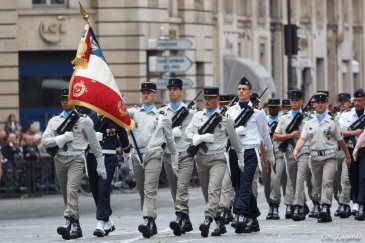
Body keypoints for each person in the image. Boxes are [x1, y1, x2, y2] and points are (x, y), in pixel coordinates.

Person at [42, 88, 106, 240]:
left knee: (71, 190)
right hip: (59, 159)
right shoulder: (55, 120)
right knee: (66, 194)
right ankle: (76, 226)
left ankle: (68, 221)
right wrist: (60, 139)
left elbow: (94, 144)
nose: (64, 101)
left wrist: (100, 163)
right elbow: (44, 141)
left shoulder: (84, 120)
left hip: (76, 158)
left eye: (68, 98)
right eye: (62, 99)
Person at [185, 86, 243, 238]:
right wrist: (198, 138)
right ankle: (219, 221)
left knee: (213, 190)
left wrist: (241, 158)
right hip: (202, 158)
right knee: (207, 193)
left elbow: (235, 141)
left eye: (211, 99)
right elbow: (187, 134)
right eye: (205, 98)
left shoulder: (226, 119)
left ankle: (207, 219)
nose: (207, 101)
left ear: (218, 99)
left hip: (218, 158)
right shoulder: (197, 116)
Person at [127, 82, 178, 238]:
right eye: (143, 92)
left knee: (150, 188)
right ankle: (152, 223)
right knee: (142, 190)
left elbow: (170, 141)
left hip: (154, 153)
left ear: (155, 95)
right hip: (137, 155)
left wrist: (174, 159)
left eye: (149, 93)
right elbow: (118, 112)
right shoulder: (134, 113)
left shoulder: (163, 118)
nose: (145, 95)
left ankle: (148, 219)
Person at [293, 92, 350, 223]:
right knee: (316, 184)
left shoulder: (332, 121)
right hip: (314, 158)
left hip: (330, 156)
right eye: (317, 102)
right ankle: (322, 207)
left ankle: (325, 207)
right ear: (313, 104)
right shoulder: (308, 122)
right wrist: (296, 150)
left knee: (327, 182)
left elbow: (341, 141)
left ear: (326, 103)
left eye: (322, 102)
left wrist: (347, 156)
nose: (319, 104)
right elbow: (303, 138)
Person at [227, 77, 274, 234]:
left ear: (250, 92)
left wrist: (270, 153)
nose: (241, 91)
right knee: (238, 184)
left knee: (246, 183)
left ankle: (240, 215)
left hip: (251, 151)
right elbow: (224, 133)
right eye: (239, 89)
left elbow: (265, 134)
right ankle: (253, 220)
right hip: (234, 151)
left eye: (244, 89)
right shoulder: (230, 111)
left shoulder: (258, 113)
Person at [160, 79, 195, 237]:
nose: (172, 92)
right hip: (169, 154)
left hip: (184, 153)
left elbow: (195, 132)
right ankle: (186, 219)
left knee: (182, 187)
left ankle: (180, 216)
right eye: (170, 89)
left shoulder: (191, 112)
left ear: (182, 92)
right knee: (174, 188)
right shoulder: (162, 112)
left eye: (175, 89)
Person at [87, 111, 131, 237]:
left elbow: (123, 137)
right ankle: (108, 221)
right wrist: (92, 136)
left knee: (103, 189)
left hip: (108, 158)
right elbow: (81, 136)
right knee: (95, 190)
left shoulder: (115, 118)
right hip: (92, 158)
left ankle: (101, 222)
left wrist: (127, 154)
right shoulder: (89, 119)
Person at [273, 90, 311, 221]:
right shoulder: (284, 118)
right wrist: (289, 136)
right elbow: (276, 136)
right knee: (293, 180)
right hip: (289, 152)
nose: (294, 102)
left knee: (300, 178)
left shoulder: (307, 118)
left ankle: (298, 206)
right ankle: (303, 204)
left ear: (301, 101)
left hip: (303, 151)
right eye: (292, 100)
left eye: (297, 100)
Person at [340, 88, 365, 220]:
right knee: (353, 177)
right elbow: (339, 132)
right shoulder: (347, 115)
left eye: (359, 100)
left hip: (364, 150)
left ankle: (361, 204)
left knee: (362, 177)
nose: (356, 103)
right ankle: (355, 200)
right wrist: (353, 133)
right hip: (350, 148)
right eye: (355, 100)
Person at [333, 92, 352, 218]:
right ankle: (339, 200)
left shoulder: (353, 115)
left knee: (345, 179)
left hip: (347, 150)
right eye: (340, 101)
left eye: (344, 101)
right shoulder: (333, 116)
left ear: (349, 102)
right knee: (334, 181)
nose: (342, 104)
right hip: (334, 150)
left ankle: (344, 203)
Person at [217, 94, 235, 224]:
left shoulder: (233, 117)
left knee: (229, 184)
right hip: (220, 154)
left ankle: (227, 206)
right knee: (223, 184)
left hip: (233, 153)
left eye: (226, 105)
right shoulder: (215, 117)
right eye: (221, 105)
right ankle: (224, 208)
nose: (223, 107)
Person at [264, 98, 282, 220]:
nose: (273, 109)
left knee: (275, 179)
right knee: (266, 182)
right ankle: (270, 204)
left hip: (278, 152)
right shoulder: (263, 119)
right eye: (271, 107)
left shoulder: (283, 120)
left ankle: (275, 205)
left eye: (275, 107)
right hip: (265, 153)